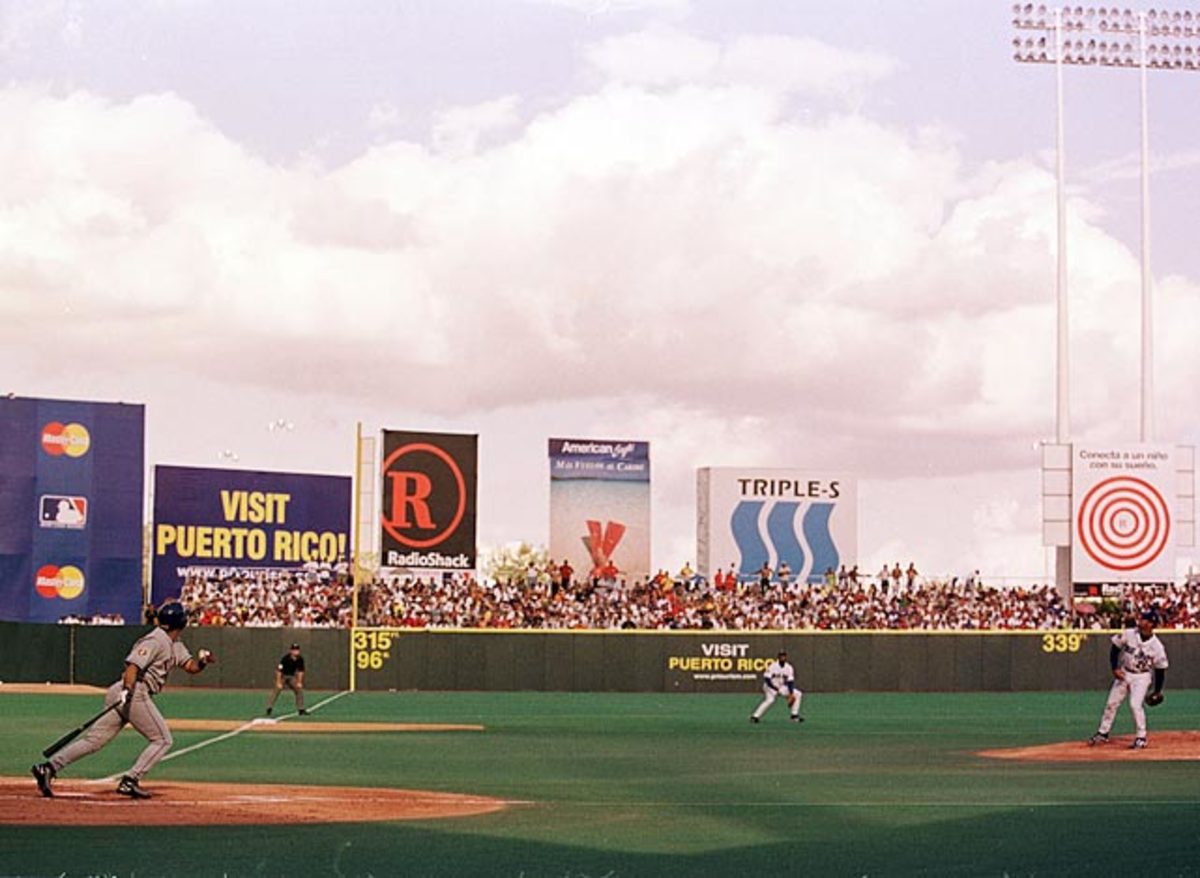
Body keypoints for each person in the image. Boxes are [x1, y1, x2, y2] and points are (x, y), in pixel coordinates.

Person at [30, 600, 215, 799]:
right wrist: (128, 690)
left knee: (94, 741)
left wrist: (202, 662)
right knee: (162, 740)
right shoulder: (155, 640)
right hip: (134, 691)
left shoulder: (175, 644)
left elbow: (190, 667)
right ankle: (130, 780)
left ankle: (49, 767)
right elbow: (132, 667)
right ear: (181, 622)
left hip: (127, 692)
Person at [1087, 610, 1169, 750]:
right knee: (1111, 703)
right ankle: (1103, 733)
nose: (1140, 621)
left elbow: (1160, 669)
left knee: (1135, 704)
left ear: (1151, 624)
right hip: (1125, 672)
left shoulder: (1157, 647)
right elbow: (1115, 649)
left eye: (1144, 619)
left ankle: (1141, 737)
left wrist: (1157, 690)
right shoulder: (1130, 633)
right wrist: (1114, 668)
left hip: (1142, 676)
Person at [750, 649, 803, 724]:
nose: (782, 658)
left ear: (786, 657)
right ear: (778, 657)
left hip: (780, 687)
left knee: (798, 694)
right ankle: (755, 716)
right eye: (781, 656)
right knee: (770, 700)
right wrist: (775, 688)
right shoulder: (773, 666)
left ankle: (794, 716)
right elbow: (767, 679)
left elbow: (790, 682)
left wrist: (791, 693)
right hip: (769, 687)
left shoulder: (789, 667)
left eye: (784, 656)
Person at [266, 643, 307, 716]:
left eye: (297, 650)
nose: (296, 651)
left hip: (291, 677)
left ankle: (301, 709)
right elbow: (279, 671)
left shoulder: (300, 659)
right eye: (294, 650)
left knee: (299, 689)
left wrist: (299, 682)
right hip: (283, 676)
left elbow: (301, 671)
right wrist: (278, 682)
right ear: (291, 651)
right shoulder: (285, 659)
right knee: (277, 690)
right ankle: (269, 708)